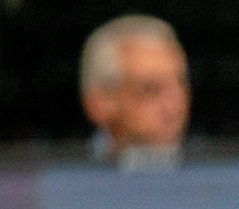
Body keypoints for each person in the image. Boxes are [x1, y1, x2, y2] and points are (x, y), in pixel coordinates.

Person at [79, 15, 189, 170]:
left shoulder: (214, 176)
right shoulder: (59, 183)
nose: (174, 107)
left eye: (181, 85)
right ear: (98, 103)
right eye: (150, 89)